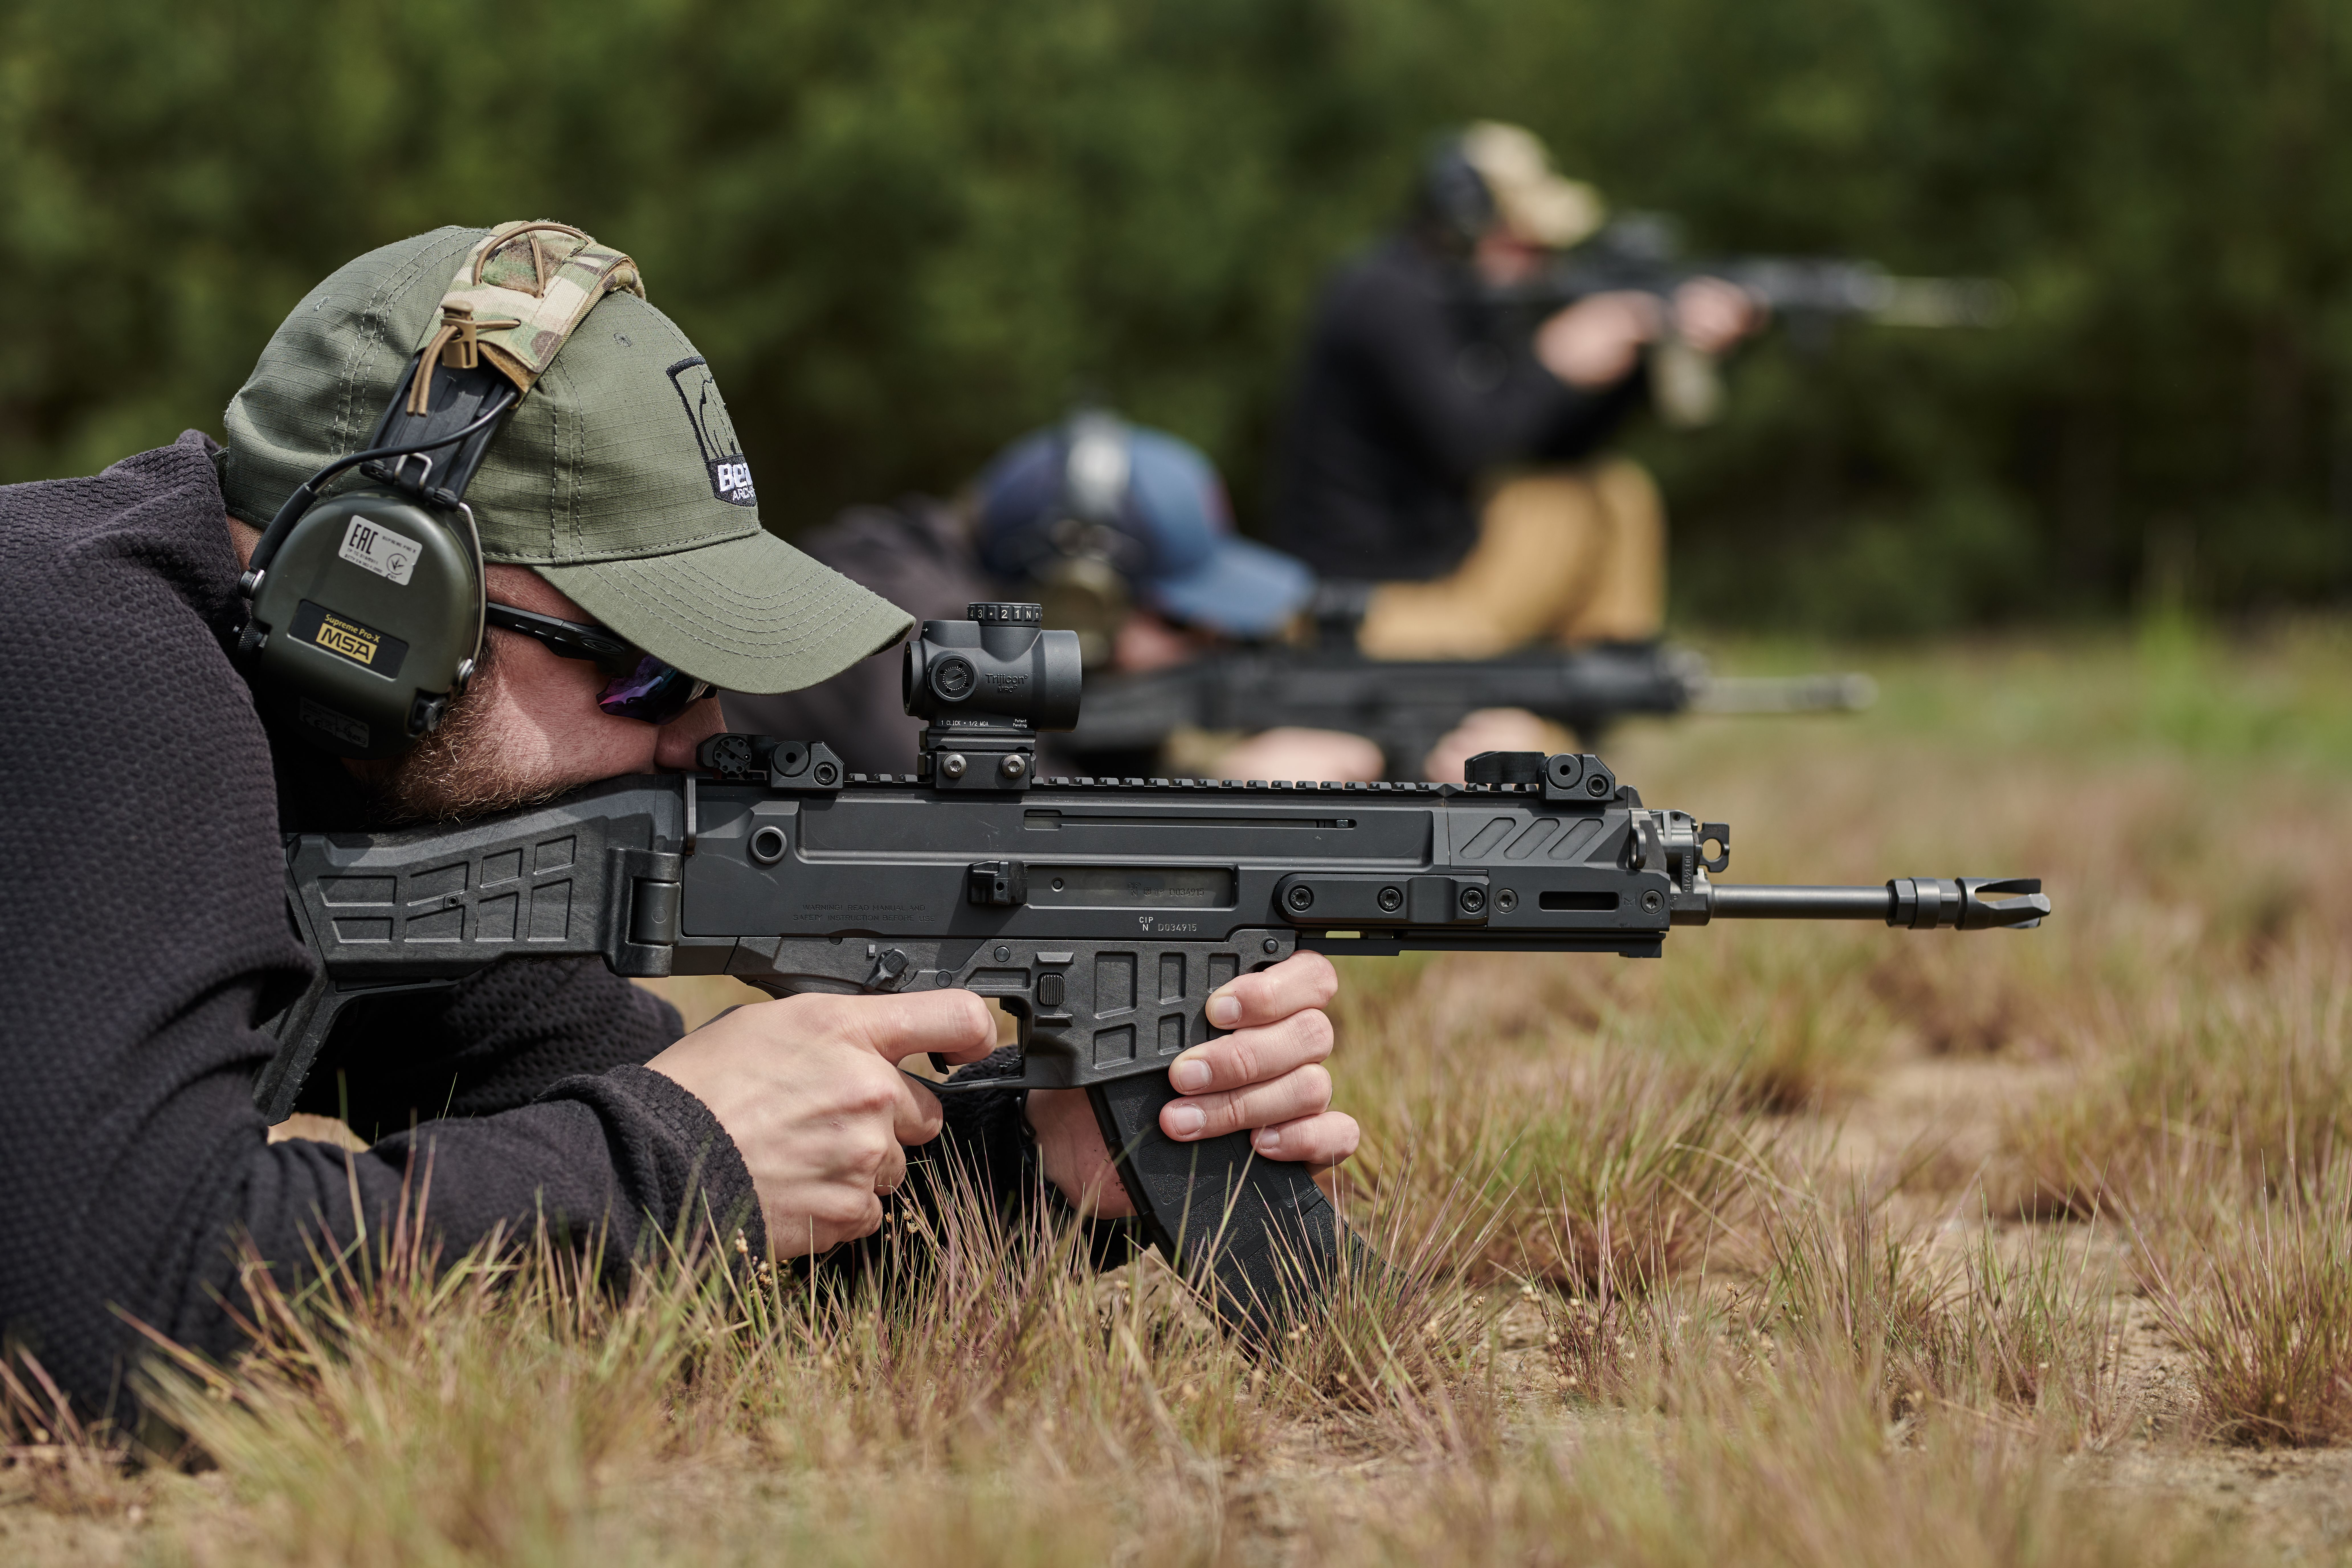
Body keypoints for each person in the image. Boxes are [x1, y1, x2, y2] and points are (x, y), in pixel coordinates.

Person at [0, 225, 1355, 1422]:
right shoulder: (84, 653)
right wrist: (678, 1153)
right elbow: (102, 1315)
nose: (698, 736)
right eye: (649, 674)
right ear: (394, 594)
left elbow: (691, 1227)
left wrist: (1048, 1163)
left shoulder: (382, 785)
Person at [1271, 121, 1763, 660]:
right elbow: (1472, 446)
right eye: (1522, 242)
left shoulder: (1460, 302)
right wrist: (1555, 365)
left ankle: (1609, 670)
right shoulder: (1386, 298)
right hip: (1372, 597)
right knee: (1569, 505)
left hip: (1433, 570)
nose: (1541, 262)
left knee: (1613, 487)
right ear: (1460, 226)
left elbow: (1553, 446)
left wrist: (1631, 368)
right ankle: (1584, 682)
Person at [727, 411, 1390, 783]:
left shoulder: (933, 572)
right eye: (1182, 620)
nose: (1210, 644)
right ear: (1079, 601)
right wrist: (1225, 788)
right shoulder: (900, 631)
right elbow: (999, 831)